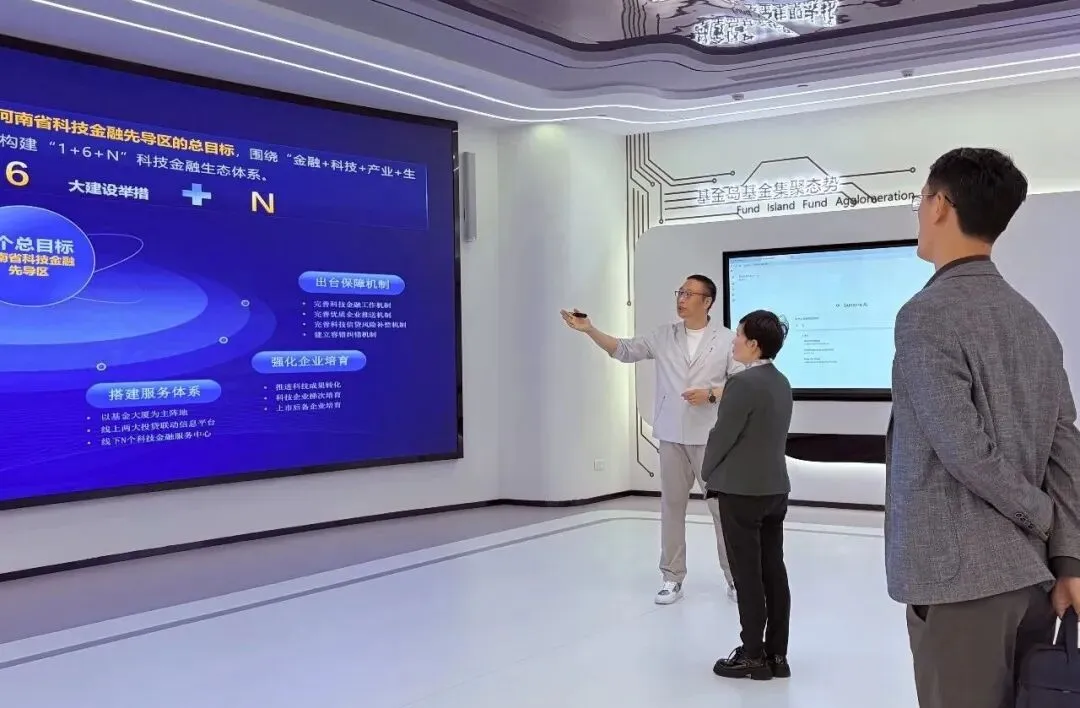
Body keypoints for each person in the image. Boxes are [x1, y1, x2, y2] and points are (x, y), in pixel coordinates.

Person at [887, 147, 1080, 708]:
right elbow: (1065, 445)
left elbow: (962, 447)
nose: (919, 211)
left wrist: (1040, 514)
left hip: (961, 584)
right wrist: (1068, 558)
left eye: (921, 198)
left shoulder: (925, 314)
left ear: (941, 205)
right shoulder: (1033, 322)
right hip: (1034, 580)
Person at [562, 275, 741, 605]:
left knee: (723, 510)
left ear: (708, 302)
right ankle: (672, 577)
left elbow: (742, 383)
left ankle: (735, 578)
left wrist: (712, 394)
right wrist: (590, 330)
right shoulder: (664, 335)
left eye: (689, 294)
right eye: (680, 292)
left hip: (711, 437)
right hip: (671, 435)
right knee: (672, 508)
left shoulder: (727, 340)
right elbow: (624, 350)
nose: (681, 299)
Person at [701, 310, 794, 682]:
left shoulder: (742, 384)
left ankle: (752, 654)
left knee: (747, 575)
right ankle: (777, 655)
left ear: (754, 344)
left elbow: (723, 435)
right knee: (774, 571)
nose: (734, 341)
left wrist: (707, 471)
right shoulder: (782, 382)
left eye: (738, 335)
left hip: (741, 491)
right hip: (775, 489)